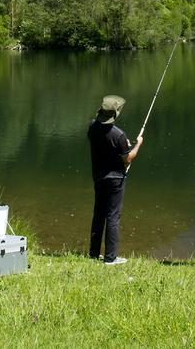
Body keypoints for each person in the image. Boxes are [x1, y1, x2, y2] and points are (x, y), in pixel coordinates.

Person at [87, 94, 143, 265]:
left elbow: (105, 144)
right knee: (112, 216)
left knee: (98, 214)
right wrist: (138, 144)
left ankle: (94, 253)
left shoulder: (92, 127)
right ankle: (111, 258)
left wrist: (123, 145)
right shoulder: (118, 135)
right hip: (115, 179)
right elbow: (127, 158)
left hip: (98, 176)